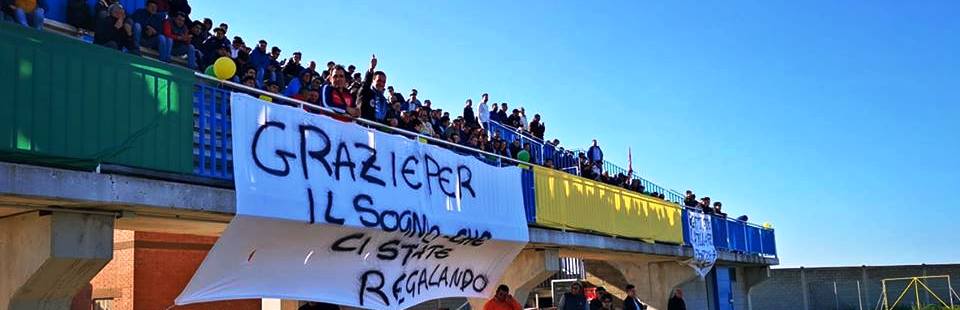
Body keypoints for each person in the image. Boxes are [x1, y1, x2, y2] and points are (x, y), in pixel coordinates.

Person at [357, 54, 388, 123]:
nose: (381, 84)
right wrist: (371, 69)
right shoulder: (366, 91)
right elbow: (366, 84)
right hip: (364, 127)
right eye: (379, 80)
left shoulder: (384, 101)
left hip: (378, 130)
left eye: (384, 82)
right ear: (373, 80)